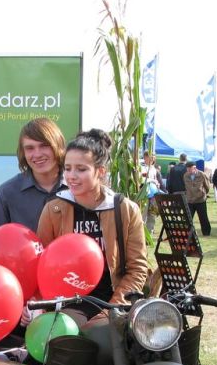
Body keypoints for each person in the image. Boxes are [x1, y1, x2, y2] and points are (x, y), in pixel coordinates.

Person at [37, 129, 148, 324]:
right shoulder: (54, 210)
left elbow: (137, 268)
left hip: (113, 300)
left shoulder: (125, 210)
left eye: (81, 169)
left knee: (106, 336)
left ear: (100, 172)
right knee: (68, 337)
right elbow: (41, 265)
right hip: (70, 303)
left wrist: (113, 309)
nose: (71, 176)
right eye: (68, 168)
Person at [0, 117, 67, 249]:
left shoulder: (78, 189)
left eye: (44, 146)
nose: (37, 154)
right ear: (23, 153)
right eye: (30, 148)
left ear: (58, 146)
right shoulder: (6, 193)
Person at [183, 161, 212, 236]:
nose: (189, 171)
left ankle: (206, 233)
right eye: (187, 169)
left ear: (194, 168)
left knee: (203, 217)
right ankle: (188, 233)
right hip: (190, 200)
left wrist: (203, 193)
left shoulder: (202, 174)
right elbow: (187, 187)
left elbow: (207, 186)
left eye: (190, 169)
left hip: (200, 200)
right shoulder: (185, 176)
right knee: (188, 218)